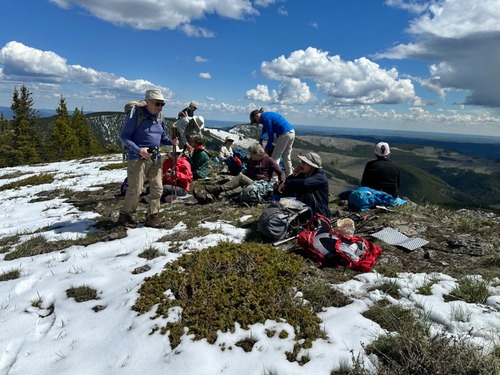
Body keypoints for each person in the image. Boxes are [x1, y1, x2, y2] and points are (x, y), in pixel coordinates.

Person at [118, 89, 178, 228]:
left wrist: (171, 142)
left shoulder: (159, 117)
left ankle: (152, 216)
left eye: (162, 104)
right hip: (137, 157)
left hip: (155, 157)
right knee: (136, 188)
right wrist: (139, 150)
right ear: (148, 102)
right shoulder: (136, 114)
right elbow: (124, 137)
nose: (160, 107)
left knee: (157, 188)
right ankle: (125, 215)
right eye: (157, 104)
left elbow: (162, 137)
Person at [194, 143, 285, 204]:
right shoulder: (252, 160)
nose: (250, 156)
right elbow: (248, 171)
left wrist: (282, 182)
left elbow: (280, 172)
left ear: (257, 153)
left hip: (259, 185)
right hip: (249, 183)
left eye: (251, 154)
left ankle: (217, 188)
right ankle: (208, 198)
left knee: (241, 177)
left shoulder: (268, 160)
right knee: (232, 193)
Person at [278, 152, 332, 217]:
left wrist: (286, 183)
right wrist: (293, 175)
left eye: (304, 163)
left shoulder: (320, 176)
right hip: (309, 207)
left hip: (320, 211)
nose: (301, 165)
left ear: (311, 165)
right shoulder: (304, 174)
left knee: (306, 193)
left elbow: (305, 183)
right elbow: (290, 183)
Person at [249, 108, 295, 177]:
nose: (256, 123)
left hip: (284, 134)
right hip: (291, 132)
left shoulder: (266, 118)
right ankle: (290, 176)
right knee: (286, 157)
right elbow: (265, 130)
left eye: (255, 121)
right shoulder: (266, 116)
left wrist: (267, 149)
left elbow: (271, 136)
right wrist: (261, 139)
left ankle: (274, 179)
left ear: (257, 116)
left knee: (275, 157)